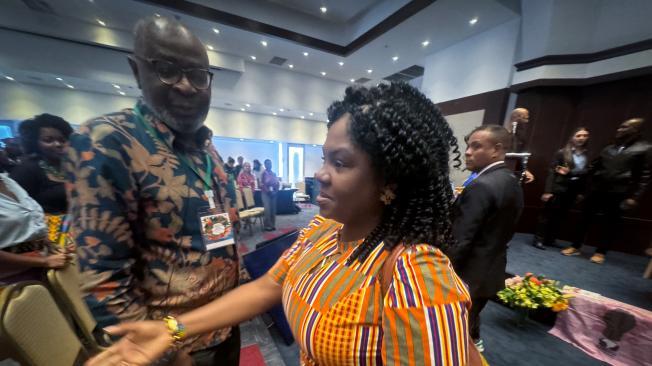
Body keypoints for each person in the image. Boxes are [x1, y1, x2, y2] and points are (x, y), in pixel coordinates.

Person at [86, 83, 475, 366]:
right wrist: (171, 328)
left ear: (391, 180)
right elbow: (269, 285)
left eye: (340, 163)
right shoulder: (324, 231)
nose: (320, 175)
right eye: (325, 159)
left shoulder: (415, 273)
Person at [64, 16, 240, 365]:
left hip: (225, 326)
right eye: (167, 69)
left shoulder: (207, 149)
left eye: (198, 75)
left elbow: (219, 236)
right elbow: (103, 276)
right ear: (136, 71)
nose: (186, 87)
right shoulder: (106, 143)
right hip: (172, 346)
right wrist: (168, 357)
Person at [447, 125, 524, 352]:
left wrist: (439, 273)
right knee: (471, 321)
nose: (467, 152)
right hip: (491, 269)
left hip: (467, 274)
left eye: (476, 146)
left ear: (497, 150)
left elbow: (460, 241)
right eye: (468, 145)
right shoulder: (510, 179)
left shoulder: (481, 185)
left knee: (455, 332)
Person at [562, 118, 651, 264]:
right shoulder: (609, 148)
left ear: (635, 130)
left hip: (620, 192)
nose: (619, 130)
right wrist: (573, 173)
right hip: (597, 189)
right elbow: (592, 168)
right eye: (620, 127)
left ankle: (600, 252)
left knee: (610, 223)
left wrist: (634, 197)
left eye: (624, 127)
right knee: (584, 219)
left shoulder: (645, 148)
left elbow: (646, 175)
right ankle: (575, 246)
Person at [0, 173, 69, 284]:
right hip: (16, 276)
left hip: (41, 261)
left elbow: (27, 220)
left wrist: (48, 243)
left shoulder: (6, 180)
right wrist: (44, 261)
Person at [532, 127, 590, 250]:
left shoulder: (587, 155)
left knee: (560, 216)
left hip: (573, 190)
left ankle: (550, 239)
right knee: (547, 215)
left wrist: (581, 191)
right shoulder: (562, 153)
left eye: (585, 135)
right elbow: (553, 171)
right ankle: (538, 240)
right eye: (578, 135)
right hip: (558, 187)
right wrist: (548, 191)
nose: (582, 138)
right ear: (573, 138)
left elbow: (586, 174)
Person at [10, 114, 73, 215]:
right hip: (47, 227)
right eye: (48, 140)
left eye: (62, 140)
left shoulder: (74, 165)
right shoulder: (26, 170)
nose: (58, 144)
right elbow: (16, 211)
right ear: (35, 143)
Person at [260, 159, 279, 231]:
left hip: (273, 193)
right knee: (267, 210)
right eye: (267, 164)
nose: (269, 165)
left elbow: (277, 183)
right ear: (265, 165)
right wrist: (268, 191)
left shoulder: (274, 173)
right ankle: (267, 226)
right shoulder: (263, 174)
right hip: (265, 193)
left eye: (270, 163)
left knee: (273, 210)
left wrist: (275, 191)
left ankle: (272, 225)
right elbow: (262, 184)